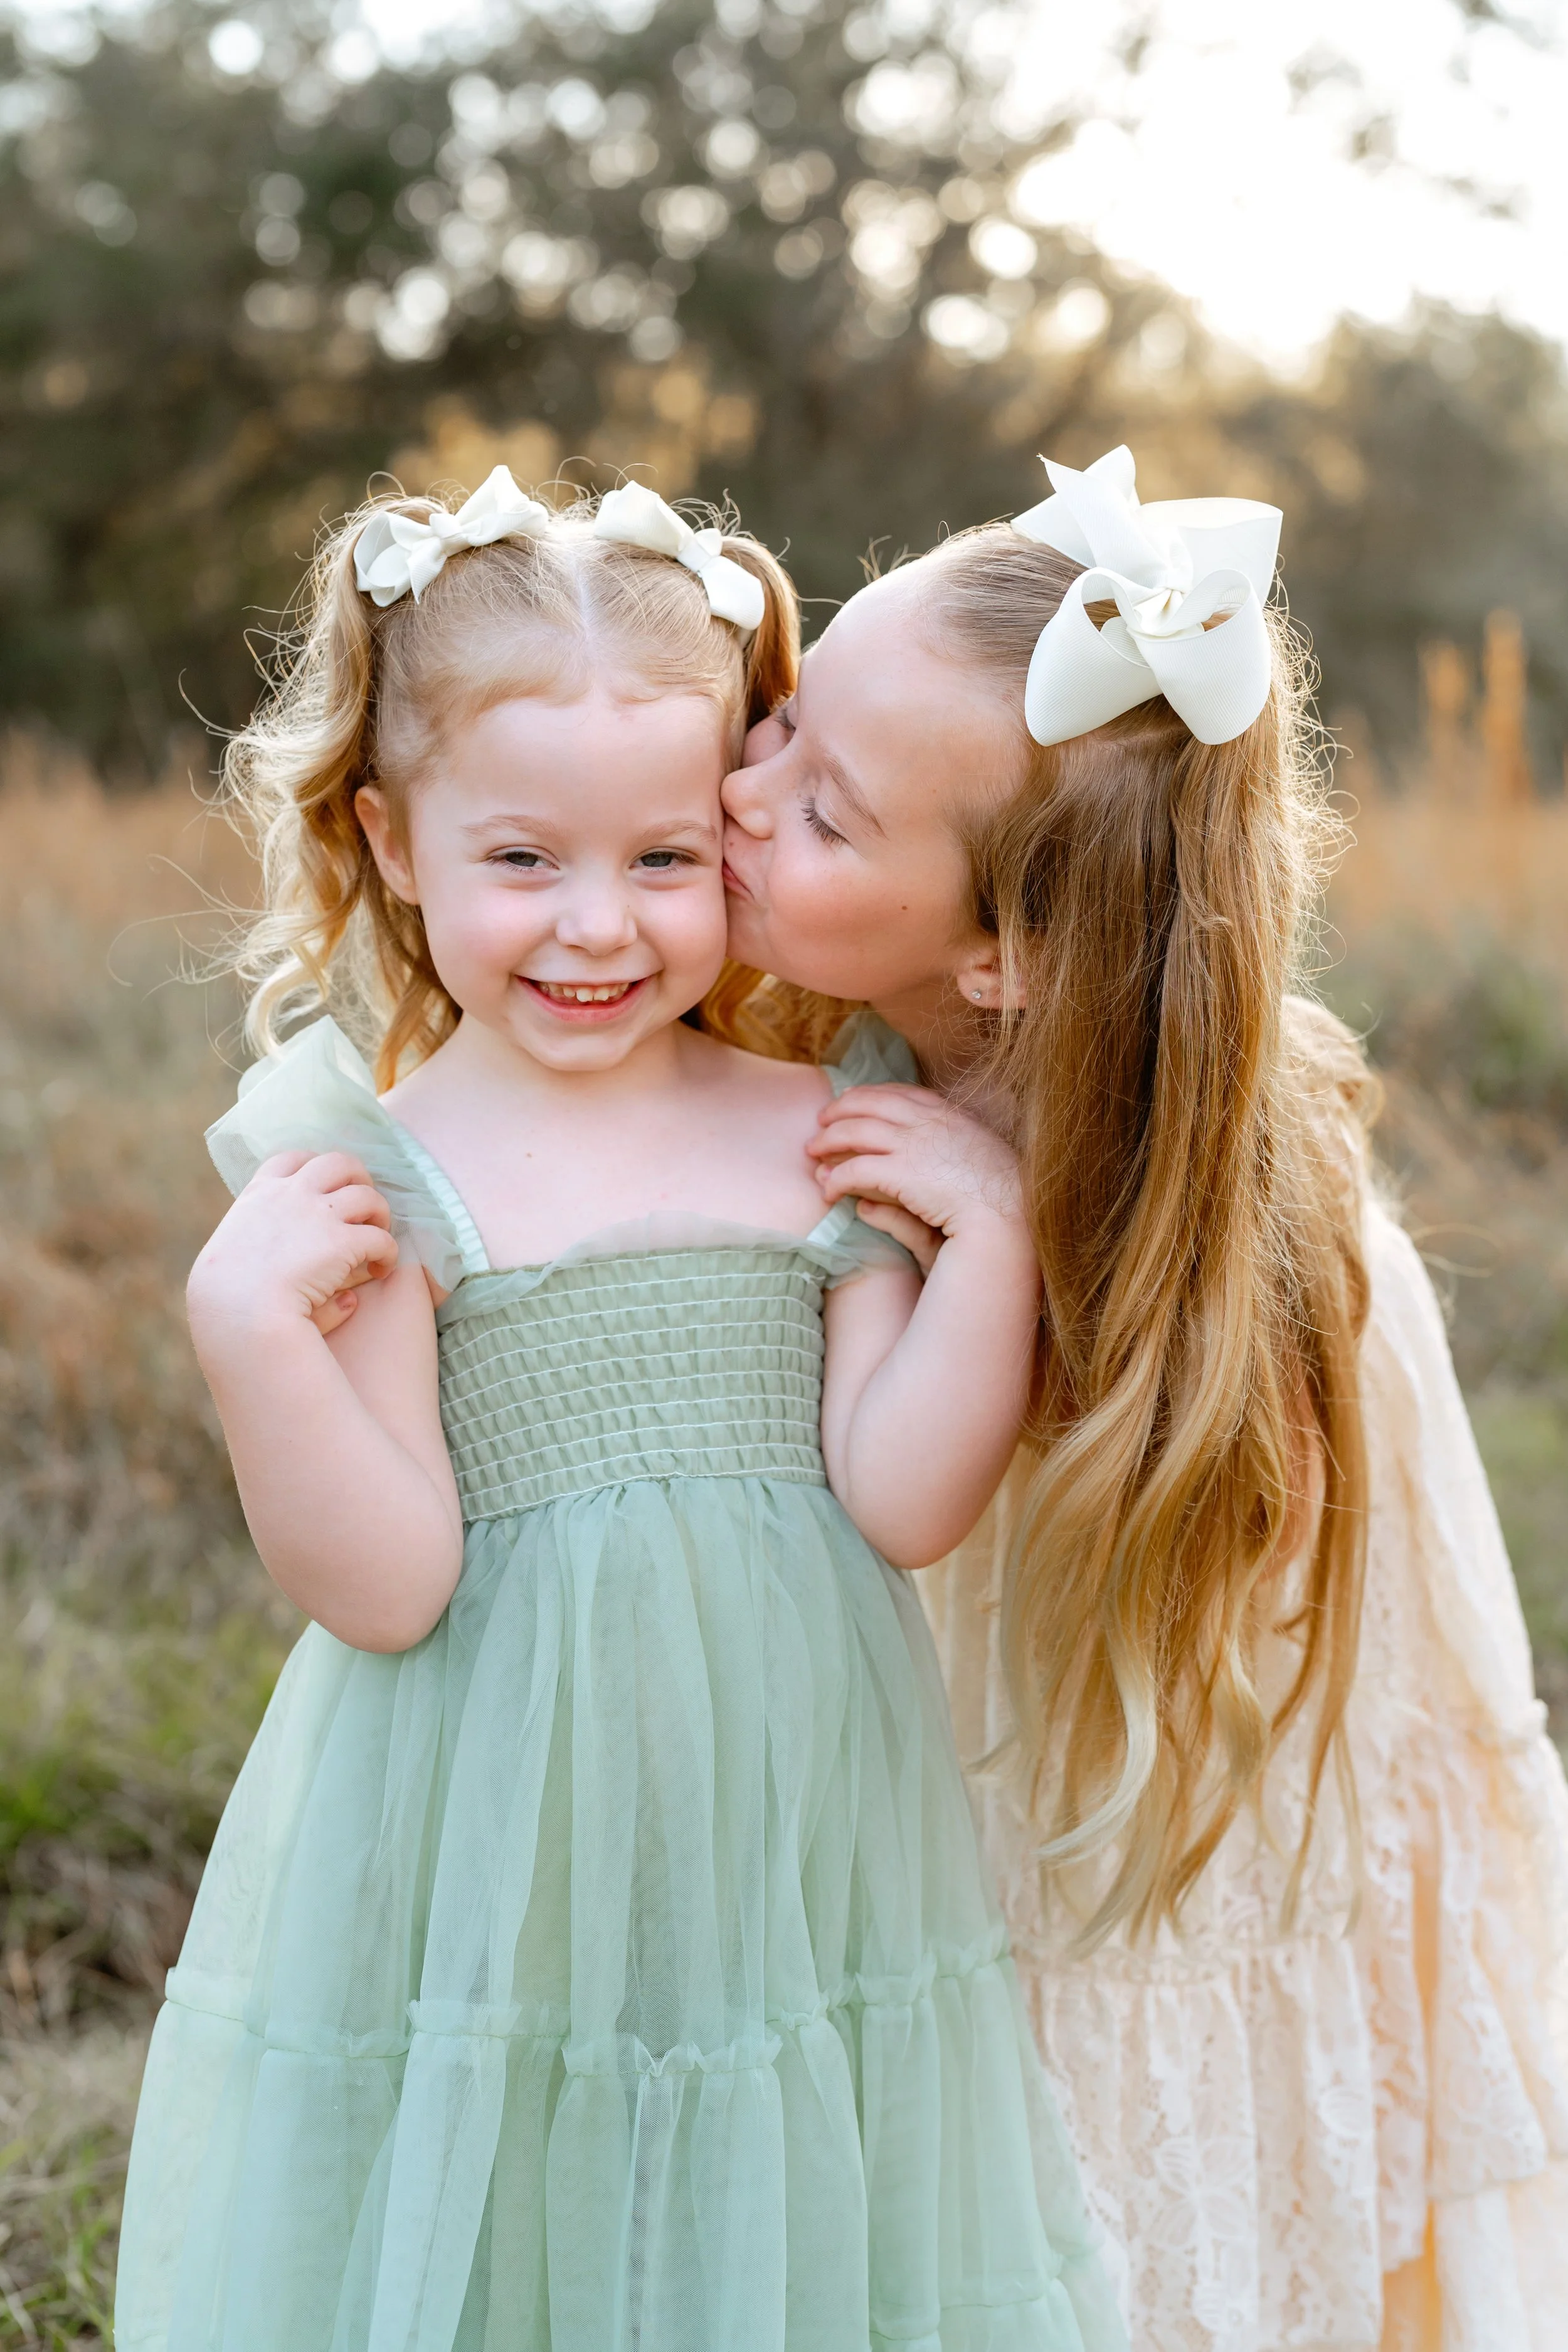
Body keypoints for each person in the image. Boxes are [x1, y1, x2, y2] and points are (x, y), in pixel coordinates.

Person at [112, 469, 1121, 2352]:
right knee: (523, 2181)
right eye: (523, 860)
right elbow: (388, 1582)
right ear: (392, 842)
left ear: (729, 828)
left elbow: (902, 1497)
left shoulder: (822, 1122)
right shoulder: (375, 1173)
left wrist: (989, 1239)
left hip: (786, 1814)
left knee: (769, 2163)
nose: (599, 927)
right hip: (500, 1818)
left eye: (662, 858)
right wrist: (251, 1339)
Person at [719, 445, 1568, 2350]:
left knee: (1105, 2056)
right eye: (780, 724)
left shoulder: (1194, 1236)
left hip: (1160, 1790)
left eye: (824, 811)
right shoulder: (849, 1028)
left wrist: (999, 1248)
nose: (740, 793)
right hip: (976, 1777)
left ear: (1005, 958)